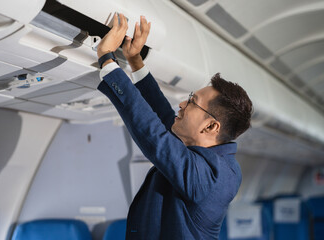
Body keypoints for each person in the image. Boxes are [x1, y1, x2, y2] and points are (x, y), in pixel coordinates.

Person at [96, 13, 253, 239]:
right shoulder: (209, 159)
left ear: (211, 127)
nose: (182, 103)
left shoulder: (215, 177)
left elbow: (156, 137)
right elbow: (163, 120)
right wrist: (135, 60)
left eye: (192, 102)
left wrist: (107, 60)